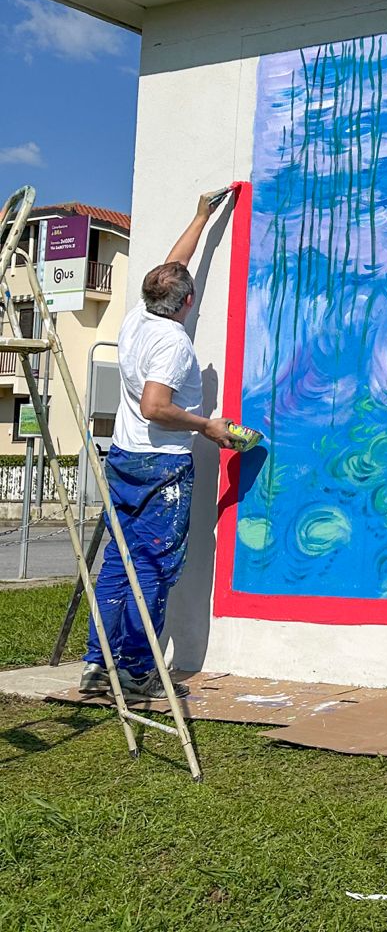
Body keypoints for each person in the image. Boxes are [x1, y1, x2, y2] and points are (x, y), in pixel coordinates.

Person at [80, 188, 237, 700]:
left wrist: (199, 220)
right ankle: (137, 670)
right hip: (160, 465)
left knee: (118, 563)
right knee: (151, 565)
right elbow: (154, 406)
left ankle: (98, 666)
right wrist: (207, 426)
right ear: (187, 303)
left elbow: (173, 265)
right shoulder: (172, 342)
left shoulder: (137, 318)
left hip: (125, 459)